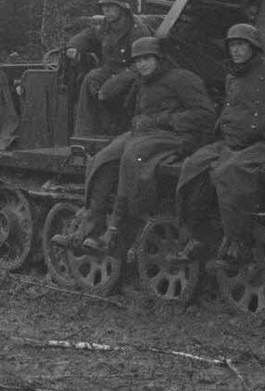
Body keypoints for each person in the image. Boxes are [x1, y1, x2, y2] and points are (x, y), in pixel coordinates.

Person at [58, 36, 216, 256]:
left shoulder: (183, 79)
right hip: (144, 133)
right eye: (138, 60)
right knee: (104, 156)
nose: (142, 64)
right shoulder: (142, 81)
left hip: (175, 136)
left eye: (147, 59)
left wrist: (165, 119)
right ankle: (89, 228)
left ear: (159, 58)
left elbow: (206, 115)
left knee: (133, 156)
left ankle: (115, 233)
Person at [174, 24, 265, 263]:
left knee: (231, 171)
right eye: (232, 45)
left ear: (253, 47)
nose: (236, 50)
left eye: (241, 45)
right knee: (193, 165)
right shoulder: (232, 76)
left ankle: (239, 241)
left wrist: (262, 128)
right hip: (235, 142)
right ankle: (197, 235)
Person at [64, 0, 152, 136]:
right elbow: (88, 35)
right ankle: (84, 134)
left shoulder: (137, 30)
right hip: (109, 69)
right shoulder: (105, 25)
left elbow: (143, 64)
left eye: (111, 6)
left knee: (109, 91)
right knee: (90, 79)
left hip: (132, 72)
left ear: (122, 7)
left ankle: (117, 132)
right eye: (104, 6)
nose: (106, 10)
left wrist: (118, 81)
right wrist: (74, 46)